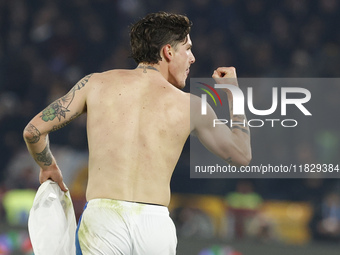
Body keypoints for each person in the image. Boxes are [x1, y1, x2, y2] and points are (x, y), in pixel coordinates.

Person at [23, 11, 251, 255]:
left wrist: (48, 167)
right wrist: (234, 94)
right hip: (155, 227)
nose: (193, 58)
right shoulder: (192, 106)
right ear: (168, 52)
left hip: (103, 222)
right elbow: (241, 155)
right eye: (187, 49)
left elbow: (33, 131)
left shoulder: (95, 84)